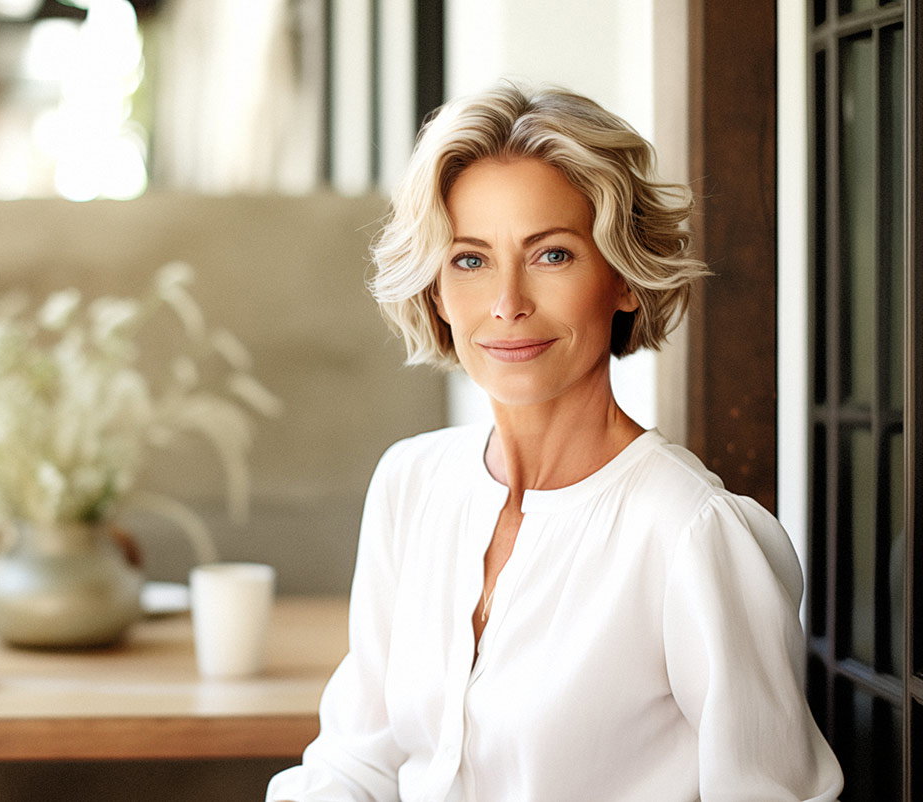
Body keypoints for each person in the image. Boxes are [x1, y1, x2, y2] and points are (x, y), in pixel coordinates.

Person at [266, 84, 844, 801]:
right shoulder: (411, 484)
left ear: (624, 277)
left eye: (553, 255)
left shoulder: (691, 535)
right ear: (437, 292)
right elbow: (356, 762)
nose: (507, 301)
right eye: (470, 260)